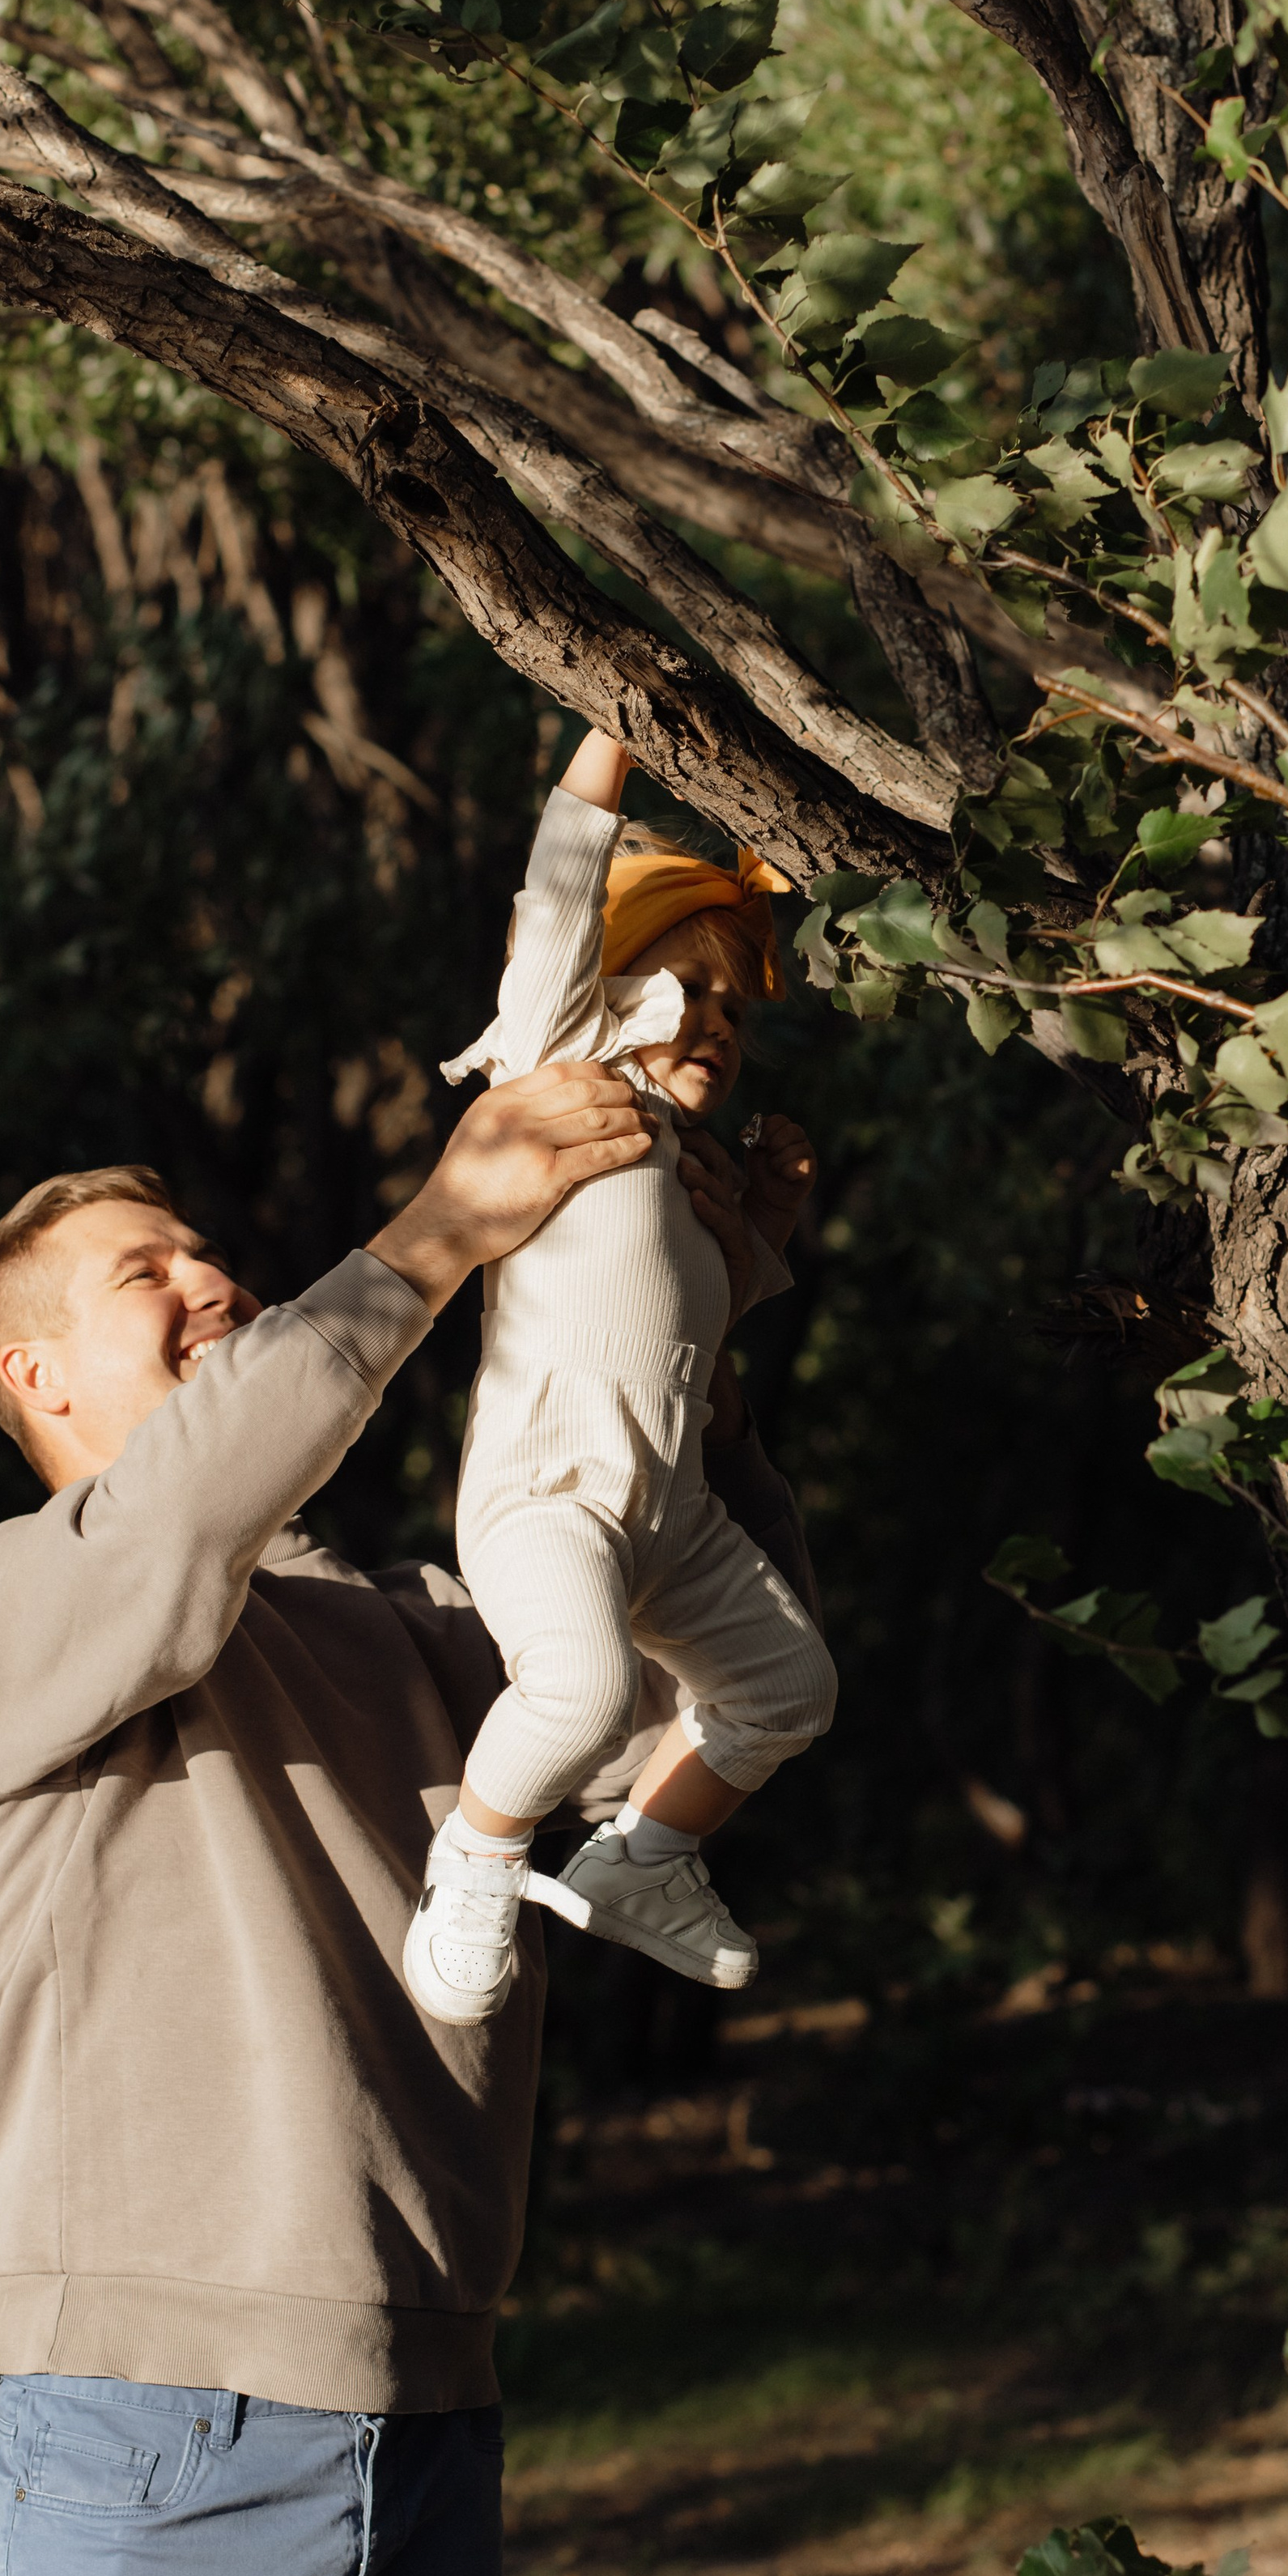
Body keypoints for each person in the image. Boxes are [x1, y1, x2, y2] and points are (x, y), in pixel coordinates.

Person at [0, 1052, 823, 2576]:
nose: (211, 1279)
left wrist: (701, 1332)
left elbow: (687, 1681)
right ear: (40, 1378)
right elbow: (176, 1533)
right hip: (150, 2412)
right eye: (144, 1274)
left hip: (425, 2394)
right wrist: (436, 1234)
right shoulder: (4, 1608)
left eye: (206, 1251)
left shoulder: (417, 1629)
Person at [412, 729, 838, 2028]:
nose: (715, 1020)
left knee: (789, 1687)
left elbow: (697, 1328)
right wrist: (609, 733)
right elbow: (556, 899)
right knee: (585, 1689)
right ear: (612, 991)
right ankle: (476, 1863)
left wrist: (764, 1224)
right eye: (686, 989)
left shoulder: (686, 1170)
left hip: (673, 1510)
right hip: (551, 1492)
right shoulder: (562, 1077)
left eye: (736, 1008)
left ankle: (640, 1863)